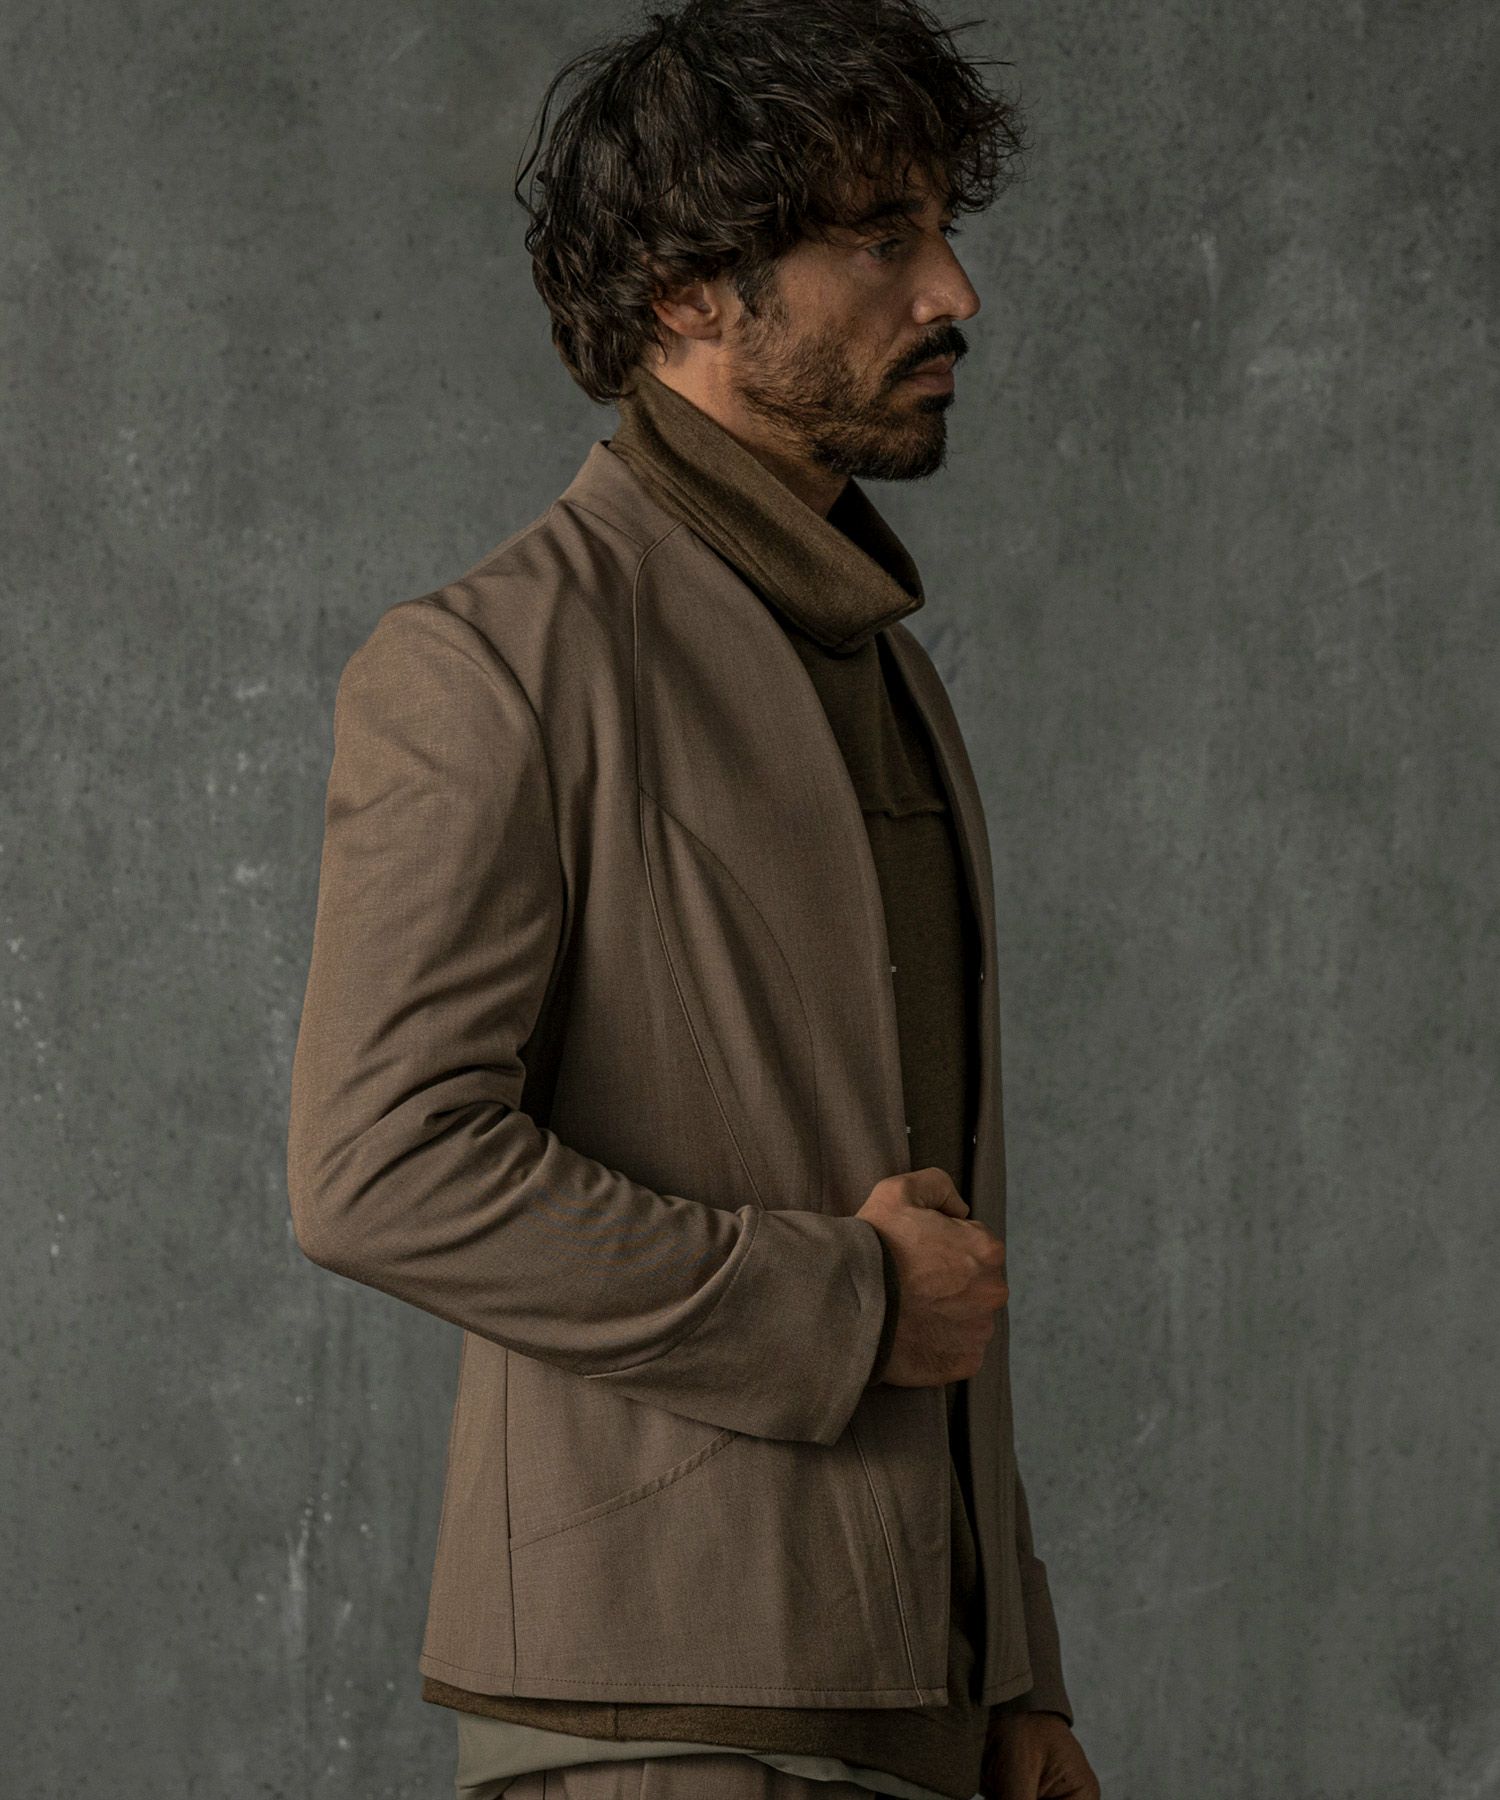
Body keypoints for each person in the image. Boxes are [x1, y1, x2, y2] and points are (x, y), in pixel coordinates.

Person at [286, 3, 1101, 1797]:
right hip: (659, 1724)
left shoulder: (881, 666)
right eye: (881, 239)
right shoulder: (493, 662)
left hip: (920, 1723)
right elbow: (379, 1171)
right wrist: (840, 1302)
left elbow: (928, 1206)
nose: (953, 291)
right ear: (685, 293)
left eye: (941, 230)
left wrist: (1015, 1675)